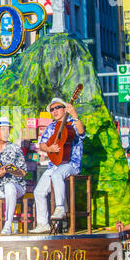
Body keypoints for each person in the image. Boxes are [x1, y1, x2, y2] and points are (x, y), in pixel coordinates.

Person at [30, 97, 86, 234]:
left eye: (57, 107)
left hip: (71, 163)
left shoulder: (73, 123)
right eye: (52, 109)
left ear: (64, 108)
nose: (54, 111)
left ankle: (60, 207)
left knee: (57, 174)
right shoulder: (51, 126)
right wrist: (49, 149)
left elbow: (81, 132)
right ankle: (43, 223)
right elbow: (43, 144)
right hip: (54, 164)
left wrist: (75, 115)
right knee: (38, 191)